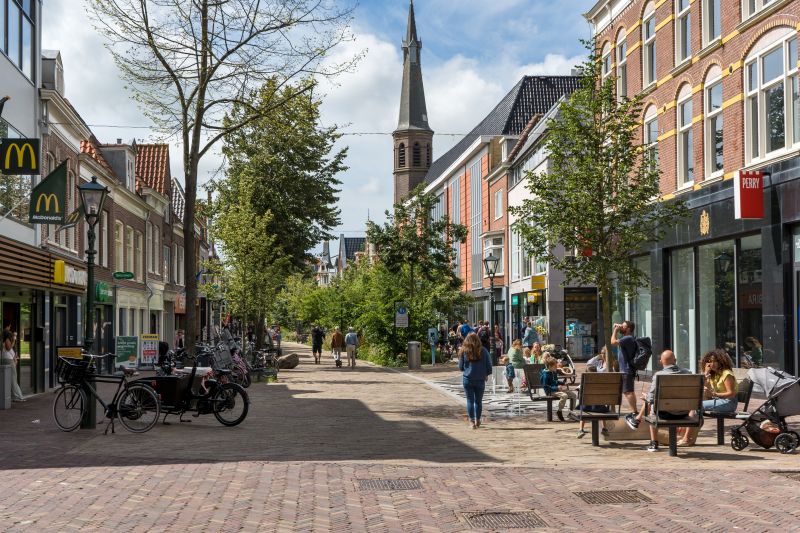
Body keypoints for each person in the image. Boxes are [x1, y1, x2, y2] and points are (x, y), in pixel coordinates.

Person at [623, 350, 690, 452]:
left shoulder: (659, 375)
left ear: (661, 362)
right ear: (675, 360)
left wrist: (647, 398)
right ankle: (637, 420)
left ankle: (654, 443)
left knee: (652, 407)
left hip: (665, 414)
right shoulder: (687, 373)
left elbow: (650, 399)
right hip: (684, 413)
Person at [458, 332, 492, 429]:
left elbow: (460, 367)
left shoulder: (463, 351)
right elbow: (489, 366)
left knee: (469, 400)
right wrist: (486, 374)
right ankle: (478, 420)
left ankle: (472, 421)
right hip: (480, 379)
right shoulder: (484, 351)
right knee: (478, 401)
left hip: (467, 379)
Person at [574, 366, 610, 438]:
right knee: (602, 407)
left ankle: (581, 429)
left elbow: (579, 392)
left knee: (583, 408)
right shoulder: (600, 383)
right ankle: (604, 428)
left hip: (586, 407)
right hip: (599, 408)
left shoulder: (584, 382)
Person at [610, 321, 638, 414]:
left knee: (628, 391)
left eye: (623, 326)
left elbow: (613, 342)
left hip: (627, 370)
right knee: (628, 391)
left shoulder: (628, 338)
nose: (621, 327)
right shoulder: (627, 338)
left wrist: (615, 330)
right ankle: (634, 411)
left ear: (628, 329)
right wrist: (619, 328)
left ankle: (634, 412)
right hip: (626, 370)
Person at [540, 354, 577, 421]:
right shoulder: (545, 375)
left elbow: (556, 381)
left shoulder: (553, 372)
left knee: (573, 395)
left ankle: (572, 412)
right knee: (564, 395)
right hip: (550, 391)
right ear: (550, 366)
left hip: (557, 390)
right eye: (555, 366)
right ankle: (559, 411)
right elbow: (546, 386)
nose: (556, 368)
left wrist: (563, 383)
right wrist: (556, 388)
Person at [1, 320, 24, 402]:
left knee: (10, 378)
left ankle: (13, 396)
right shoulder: (6, 336)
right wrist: (14, 339)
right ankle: (18, 396)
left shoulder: (2, 335)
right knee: (13, 378)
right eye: (10, 327)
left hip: (7, 358)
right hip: (8, 360)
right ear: (8, 326)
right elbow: (9, 347)